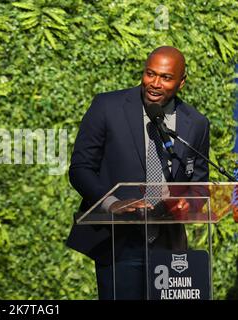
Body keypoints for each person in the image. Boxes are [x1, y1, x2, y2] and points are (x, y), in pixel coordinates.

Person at [66, 46, 210, 300]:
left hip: (170, 244)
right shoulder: (107, 107)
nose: (155, 83)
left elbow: (198, 183)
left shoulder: (196, 123)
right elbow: (81, 168)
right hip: (119, 242)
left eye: (165, 77)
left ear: (182, 81)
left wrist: (186, 201)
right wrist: (112, 203)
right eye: (150, 74)